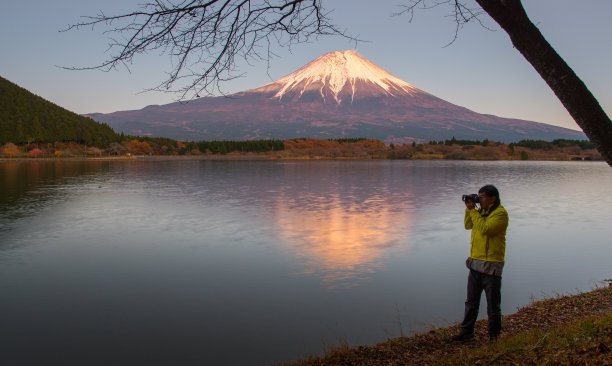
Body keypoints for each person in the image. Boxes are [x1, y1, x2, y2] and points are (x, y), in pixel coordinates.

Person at [452, 185, 509, 343]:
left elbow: (485, 229)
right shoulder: (481, 212)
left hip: (492, 267)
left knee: (493, 306)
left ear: (493, 198)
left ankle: (494, 337)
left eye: (482, 197)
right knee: (471, 302)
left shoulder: (500, 214)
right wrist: (469, 210)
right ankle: (466, 332)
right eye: (479, 196)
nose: (479, 200)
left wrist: (472, 211)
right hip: (476, 265)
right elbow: (468, 225)